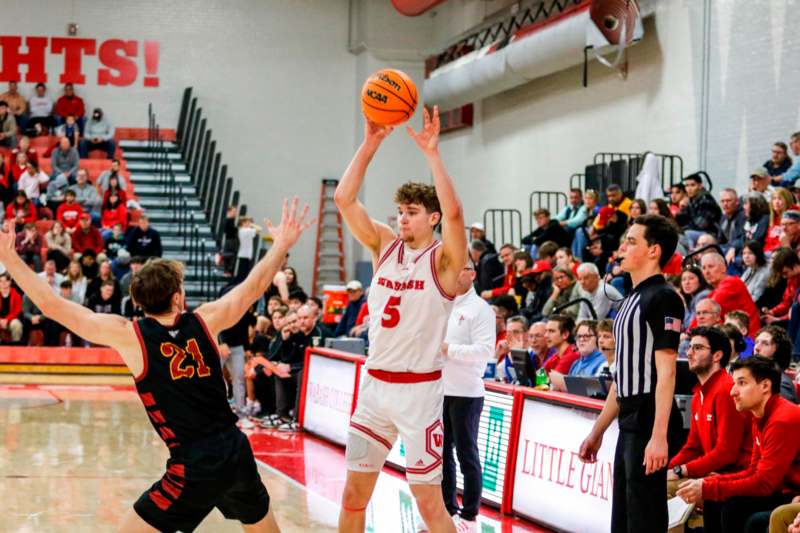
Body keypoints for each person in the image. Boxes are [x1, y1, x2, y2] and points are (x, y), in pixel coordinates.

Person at [0, 196, 312, 531]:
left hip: (193, 464)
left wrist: (9, 257)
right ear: (178, 297)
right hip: (235, 451)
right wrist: (280, 244)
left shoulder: (131, 335)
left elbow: (50, 304)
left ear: (137, 300)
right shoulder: (205, 321)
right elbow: (251, 289)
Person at [335, 107, 467, 533]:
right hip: (375, 388)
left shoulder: (444, 261)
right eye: (400, 211)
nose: (402, 218)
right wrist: (371, 143)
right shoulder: (385, 246)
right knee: (354, 497)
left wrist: (433, 155)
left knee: (429, 505)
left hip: (419, 394)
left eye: (412, 211)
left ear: (431, 218)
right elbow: (344, 199)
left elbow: (456, 216)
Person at [579, 214, 685, 533]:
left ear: (654, 250)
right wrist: (597, 432)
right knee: (624, 516)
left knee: (644, 518)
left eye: (631, 241)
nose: (622, 248)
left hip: (650, 418)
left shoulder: (663, 297)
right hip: (629, 420)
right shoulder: (629, 301)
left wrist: (658, 435)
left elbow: (666, 372)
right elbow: (621, 379)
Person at [676, 356, 800, 533]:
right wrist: (708, 483)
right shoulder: (760, 416)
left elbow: (764, 483)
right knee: (717, 502)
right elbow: (753, 471)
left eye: (741, 383)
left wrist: (708, 486)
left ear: (765, 386)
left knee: (736, 510)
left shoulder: (782, 420)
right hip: (781, 489)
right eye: (734, 383)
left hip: (791, 493)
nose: (733, 391)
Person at [438, 261, 494, 528]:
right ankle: (448, 509)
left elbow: (485, 350)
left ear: (471, 273)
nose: (453, 274)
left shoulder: (480, 309)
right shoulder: (444, 303)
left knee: (466, 454)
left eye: (460, 268)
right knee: (441, 453)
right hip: (440, 390)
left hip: (466, 394)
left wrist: (449, 350)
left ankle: (470, 514)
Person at [668, 327, 751, 502]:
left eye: (697, 348)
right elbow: (693, 446)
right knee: (653, 483)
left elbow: (726, 452)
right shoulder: (699, 394)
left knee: (660, 489)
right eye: (690, 347)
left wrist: (681, 470)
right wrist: (669, 468)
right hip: (716, 472)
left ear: (717, 356)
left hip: (735, 476)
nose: (689, 353)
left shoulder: (726, 390)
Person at [696, 253, 760, 337]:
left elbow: (707, 310)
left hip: (747, 340)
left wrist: (689, 333)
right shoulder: (713, 292)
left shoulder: (732, 283)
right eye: (703, 268)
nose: (707, 272)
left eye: (711, 266)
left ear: (723, 268)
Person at [752, 325, 798, 403]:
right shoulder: (756, 375)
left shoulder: (781, 383)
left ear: (779, 350)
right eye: (756, 342)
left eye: (765, 343)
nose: (757, 348)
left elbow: (784, 414)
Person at [677, 173, 722, 248]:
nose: (689, 188)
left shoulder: (706, 199)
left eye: (692, 185)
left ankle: (691, 256)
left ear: (700, 186)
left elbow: (701, 225)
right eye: (687, 186)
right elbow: (682, 222)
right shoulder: (691, 200)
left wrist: (682, 229)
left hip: (711, 234)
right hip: (697, 231)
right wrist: (682, 209)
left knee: (687, 234)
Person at [718, 188, 746, 265]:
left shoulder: (743, 216)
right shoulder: (723, 218)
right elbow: (720, 240)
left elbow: (743, 238)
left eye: (728, 201)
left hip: (739, 250)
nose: (725, 204)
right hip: (727, 247)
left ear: (737, 201)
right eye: (722, 201)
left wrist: (733, 247)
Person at [236, 216, 262, 282]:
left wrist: (249, 224)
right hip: (245, 255)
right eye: (248, 222)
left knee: (243, 274)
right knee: (243, 275)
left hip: (245, 254)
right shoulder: (246, 230)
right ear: (243, 223)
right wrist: (251, 224)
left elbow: (257, 232)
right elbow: (260, 229)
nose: (249, 223)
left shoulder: (243, 230)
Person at [0, 273, 23, 343]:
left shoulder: (16, 295)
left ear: (10, 282)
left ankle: (15, 344)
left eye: (6, 281)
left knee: (17, 325)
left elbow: (17, 311)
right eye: (1, 281)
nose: (3, 283)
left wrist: (6, 320)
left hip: (11, 320)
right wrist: (1, 320)